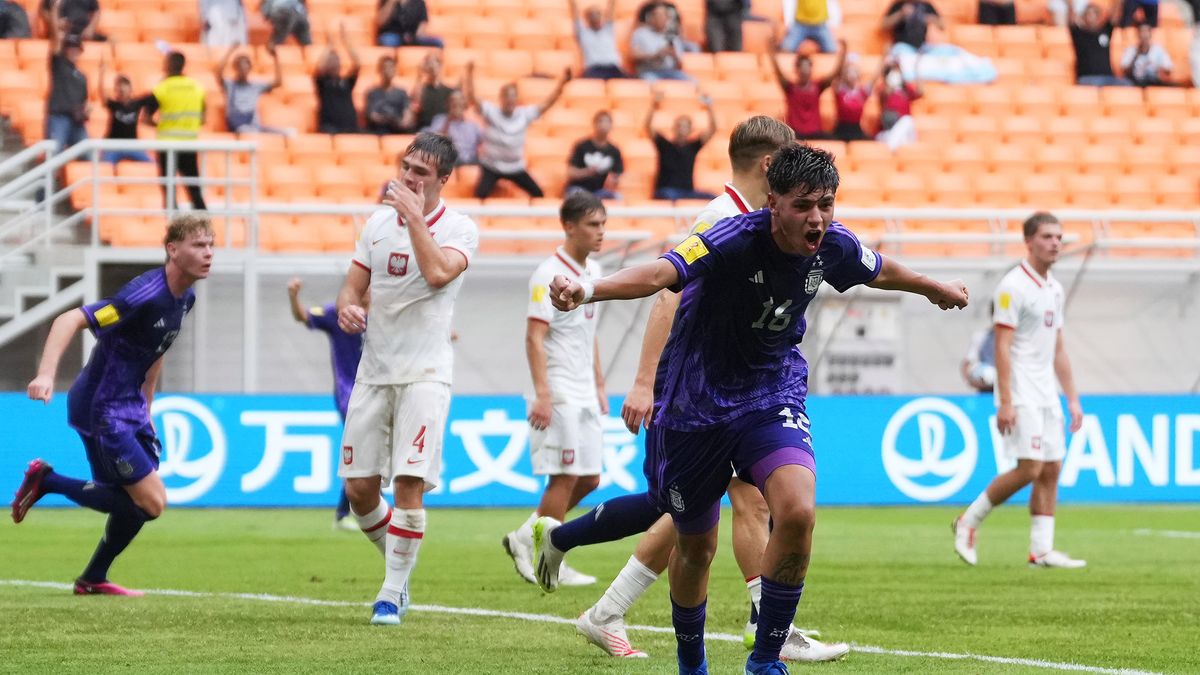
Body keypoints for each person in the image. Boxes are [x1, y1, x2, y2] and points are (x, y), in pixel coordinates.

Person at [539, 142, 968, 675]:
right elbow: (658, 278)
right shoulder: (729, 237)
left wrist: (935, 288)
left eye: (826, 203)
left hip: (771, 394)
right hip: (697, 404)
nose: (816, 218)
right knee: (694, 545)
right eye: (802, 205)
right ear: (772, 202)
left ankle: (764, 661)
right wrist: (586, 290)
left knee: (797, 510)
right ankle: (691, 664)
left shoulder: (832, 244)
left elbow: (878, 270)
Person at [559, 117, 848, 664]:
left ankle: (763, 625)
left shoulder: (773, 219)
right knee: (691, 519)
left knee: (743, 503)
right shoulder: (725, 219)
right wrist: (646, 381)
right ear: (770, 166)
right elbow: (667, 291)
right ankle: (582, 571)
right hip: (698, 394)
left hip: (747, 390)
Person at [10, 214, 214, 596]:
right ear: (173, 249)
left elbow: (157, 348)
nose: (208, 253)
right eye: (199, 245)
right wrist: (46, 375)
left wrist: (146, 409)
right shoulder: (143, 295)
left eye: (210, 245)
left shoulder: (185, 297)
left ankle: (92, 578)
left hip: (128, 409)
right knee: (151, 502)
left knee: (131, 501)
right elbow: (70, 318)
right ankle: (47, 480)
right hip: (100, 409)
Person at [335, 132, 479, 626]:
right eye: (406, 167)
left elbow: (439, 273)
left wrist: (416, 218)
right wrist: (349, 310)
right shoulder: (375, 224)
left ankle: (391, 593)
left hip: (425, 374)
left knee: (408, 485)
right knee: (358, 490)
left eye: (421, 172)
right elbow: (351, 289)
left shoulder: (460, 228)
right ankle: (399, 568)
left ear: (443, 179)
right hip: (374, 372)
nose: (409, 177)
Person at [953, 212, 1086, 570]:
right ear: (1029, 241)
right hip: (1021, 390)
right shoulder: (1013, 286)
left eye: (1059, 236)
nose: (1055, 242)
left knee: (1052, 468)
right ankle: (968, 521)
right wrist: (1006, 400)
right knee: (1030, 467)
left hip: (1046, 393)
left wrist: (1071, 398)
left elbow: (1058, 348)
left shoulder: (1054, 289)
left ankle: (1040, 550)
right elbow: (1001, 347)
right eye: (1047, 236)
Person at [502, 192, 609, 590]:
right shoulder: (547, 273)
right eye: (593, 225)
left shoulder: (593, 271)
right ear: (569, 226)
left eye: (602, 224)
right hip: (560, 389)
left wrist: (599, 383)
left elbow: (590, 332)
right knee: (564, 478)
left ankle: (523, 538)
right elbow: (534, 336)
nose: (601, 233)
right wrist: (542, 394)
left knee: (590, 478)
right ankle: (551, 558)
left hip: (583, 389)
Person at [287, 277, 366, 531]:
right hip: (349, 393)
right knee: (361, 449)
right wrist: (293, 296)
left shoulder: (389, 314)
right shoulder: (338, 313)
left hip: (380, 391)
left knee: (371, 453)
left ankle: (350, 510)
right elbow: (303, 317)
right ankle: (347, 511)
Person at [466, 63, 570, 199]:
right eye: (506, 96)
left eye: (512, 96)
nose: (509, 100)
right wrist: (469, 74)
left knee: (538, 194)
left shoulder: (524, 114)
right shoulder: (491, 112)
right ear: (501, 98)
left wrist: (562, 83)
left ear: (516, 99)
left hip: (515, 167)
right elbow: (473, 98)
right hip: (491, 166)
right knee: (480, 196)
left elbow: (548, 103)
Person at [145, 51, 208, 211]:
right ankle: (204, 229)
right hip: (189, 145)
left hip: (167, 146)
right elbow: (203, 118)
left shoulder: (162, 88)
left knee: (169, 189)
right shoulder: (197, 87)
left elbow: (146, 117)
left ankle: (174, 228)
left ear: (169, 65)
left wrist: (160, 125)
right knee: (194, 190)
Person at [646, 90, 718, 201]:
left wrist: (709, 106)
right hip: (666, 191)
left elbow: (712, 129)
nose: (681, 129)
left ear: (690, 130)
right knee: (669, 195)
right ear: (674, 127)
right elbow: (648, 127)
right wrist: (654, 105)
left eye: (685, 126)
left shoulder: (693, 146)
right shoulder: (664, 144)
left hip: (687, 192)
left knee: (714, 198)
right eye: (679, 125)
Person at [770, 38, 846, 140]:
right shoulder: (790, 87)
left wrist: (843, 54)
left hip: (815, 133)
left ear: (811, 69)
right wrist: (771, 51)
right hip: (795, 134)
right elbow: (778, 72)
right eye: (802, 67)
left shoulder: (818, 86)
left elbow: (835, 74)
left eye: (807, 67)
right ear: (797, 69)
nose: (805, 70)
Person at [214, 42, 289, 134]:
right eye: (240, 67)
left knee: (288, 132)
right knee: (247, 132)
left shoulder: (255, 86)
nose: (243, 71)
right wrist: (230, 51)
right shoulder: (230, 85)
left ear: (249, 68)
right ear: (235, 68)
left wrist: (275, 57)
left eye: (245, 67)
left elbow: (278, 82)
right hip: (238, 128)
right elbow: (218, 75)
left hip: (255, 126)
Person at [45, 4, 89, 155]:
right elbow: (55, 37)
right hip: (60, 117)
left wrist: (86, 111)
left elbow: (84, 100)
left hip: (77, 121)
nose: (73, 50)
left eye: (76, 47)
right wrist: (55, 9)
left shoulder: (82, 77)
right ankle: (48, 179)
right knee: (53, 152)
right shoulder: (59, 64)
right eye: (70, 47)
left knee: (90, 154)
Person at [98, 48, 153, 165]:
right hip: (113, 145)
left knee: (152, 165)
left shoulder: (137, 103)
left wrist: (149, 116)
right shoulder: (114, 105)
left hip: (132, 145)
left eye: (124, 87)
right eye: (119, 88)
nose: (122, 91)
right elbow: (102, 96)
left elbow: (155, 97)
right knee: (104, 167)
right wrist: (102, 74)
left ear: (130, 89)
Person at [314, 23, 362, 134]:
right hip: (329, 128)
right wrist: (329, 46)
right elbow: (319, 67)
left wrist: (346, 43)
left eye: (336, 59)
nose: (334, 62)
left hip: (350, 127)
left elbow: (358, 64)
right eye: (331, 60)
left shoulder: (346, 82)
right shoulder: (323, 82)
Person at [1070, 0, 1131, 86]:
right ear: (1084, 17)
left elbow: (1115, 16)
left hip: (1108, 78)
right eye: (1088, 14)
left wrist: (1118, 2)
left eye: (1094, 14)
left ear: (1098, 17)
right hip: (1087, 78)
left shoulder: (1105, 31)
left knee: (1127, 85)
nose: (1091, 17)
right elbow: (1071, 19)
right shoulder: (1079, 34)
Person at [566, 111, 624, 199]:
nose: (604, 125)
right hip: (580, 188)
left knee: (618, 197)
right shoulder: (582, 146)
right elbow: (571, 172)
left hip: (601, 191)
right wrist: (587, 172)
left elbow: (618, 174)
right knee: (574, 195)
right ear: (594, 124)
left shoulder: (614, 151)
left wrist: (614, 180)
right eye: (601, 121)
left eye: (607, 122)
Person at [631, 1, 692, 81]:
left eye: (664, 15)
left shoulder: (672, 35)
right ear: (650, 17)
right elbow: (634, 55)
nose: (662, 18)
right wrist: (656, 55)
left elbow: (680, 65)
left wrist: (674, 56)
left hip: (671, 72)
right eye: (658, 15)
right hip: (649, 72)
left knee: (693, 84)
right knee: (653, 85)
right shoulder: (641, 33)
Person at [569, 0, 628, 79]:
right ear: (586, 18)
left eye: (598, 14)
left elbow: (611, 7)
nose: (595, 16)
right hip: (593, 69)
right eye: (592, 14)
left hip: (613, 68)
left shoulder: (608, 29)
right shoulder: (583, 33)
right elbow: (574, 12)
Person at [875, 56, 921, 150]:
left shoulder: (906, 89)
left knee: (908, 121)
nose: (895, 74)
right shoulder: (885, 89)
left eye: (897, 71)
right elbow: (878, 90)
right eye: (893, 72)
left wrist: (917, 72)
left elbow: (919, 93)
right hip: (890, 128)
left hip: (904, 130)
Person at [425, 91, 481, 165]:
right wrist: (449, 119)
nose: (457, 103)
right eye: (454, 101)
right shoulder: (439, 120)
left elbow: (484, 143)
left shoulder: (473, 126)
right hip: (450, 160)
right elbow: (434, 142)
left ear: (464, 104)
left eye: (460, 101)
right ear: (447, 104)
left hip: (471, 161)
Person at [365, 55, 417, 134]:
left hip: (398, 128)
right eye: (385, 67)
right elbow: (371, 115)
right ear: (380, 70)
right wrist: (386, 119)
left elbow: (407, 112)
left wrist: (404, 121)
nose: (388, 70)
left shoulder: (401, 93)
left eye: (391, 67)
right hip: (380, 129)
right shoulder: (373, 93)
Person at [831, 55, 878, 142]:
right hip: (841, 129)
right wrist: (843, 54)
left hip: (856, 129)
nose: (851, 74)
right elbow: (836, 75)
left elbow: (875, 77)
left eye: (854, 72)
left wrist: (885, 56)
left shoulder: (862, 92)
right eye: (849, 72)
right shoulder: (840, 90)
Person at [411, 52, 455, 131]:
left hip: (444, 130)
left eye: (435, 63)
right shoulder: (422, 89)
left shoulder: (449, 91)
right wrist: (419, 76)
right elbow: (416, 101)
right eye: (429, 64)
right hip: (425, 129)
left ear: (440, 66)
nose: (433, 67)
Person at [961, 302, 996, 393]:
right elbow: (966, 363)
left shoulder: (1018, 340)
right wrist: (971, 381)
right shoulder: (981, 337)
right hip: (985, 390)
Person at [375, 0, 442, 47]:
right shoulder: (386, 1)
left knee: (438, 42)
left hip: (413, 37)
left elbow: (422, 25)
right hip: (393, 36)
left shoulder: (419, 2)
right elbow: (380, 22)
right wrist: (391, 3)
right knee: (387, 40)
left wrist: (417, 37)